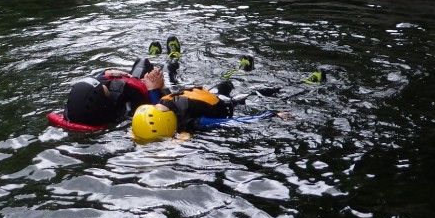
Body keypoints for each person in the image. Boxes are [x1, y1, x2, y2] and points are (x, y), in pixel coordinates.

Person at [131, 84, 289, 141]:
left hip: (216, 97)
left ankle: (278, 89)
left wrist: (153, 88)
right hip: (225, 101)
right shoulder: (194, 122)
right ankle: (282, 89)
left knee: (228, 85)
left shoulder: (162, 107)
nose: (159, 105)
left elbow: (233, 121)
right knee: (247, 93)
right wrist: (271, 114)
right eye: (158, 108)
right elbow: (237, 122)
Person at [63, 58, 165, 126]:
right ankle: (172, 61)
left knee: (142, 61)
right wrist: (154, 89)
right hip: (148, 99)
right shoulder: (126, 116)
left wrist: (106, 73)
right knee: (160, 67)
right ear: (103, 104)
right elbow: (159, 116)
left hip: (130, 87)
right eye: (102, 86)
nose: (103, 83)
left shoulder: (74, 112)